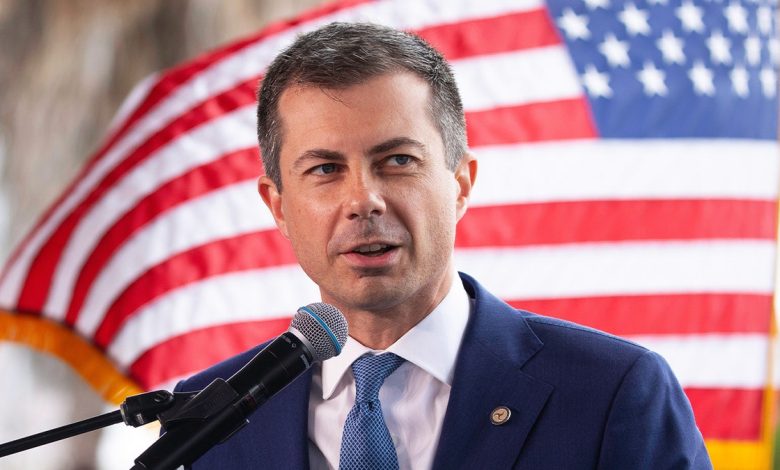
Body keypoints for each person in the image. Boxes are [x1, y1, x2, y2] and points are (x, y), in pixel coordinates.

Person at [173, 22, 712, 469]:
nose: (364, 200)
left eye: (398, 161)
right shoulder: (206, 417)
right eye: (325, 169)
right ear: (279, 206)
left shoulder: (613, 392)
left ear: (461, 184)